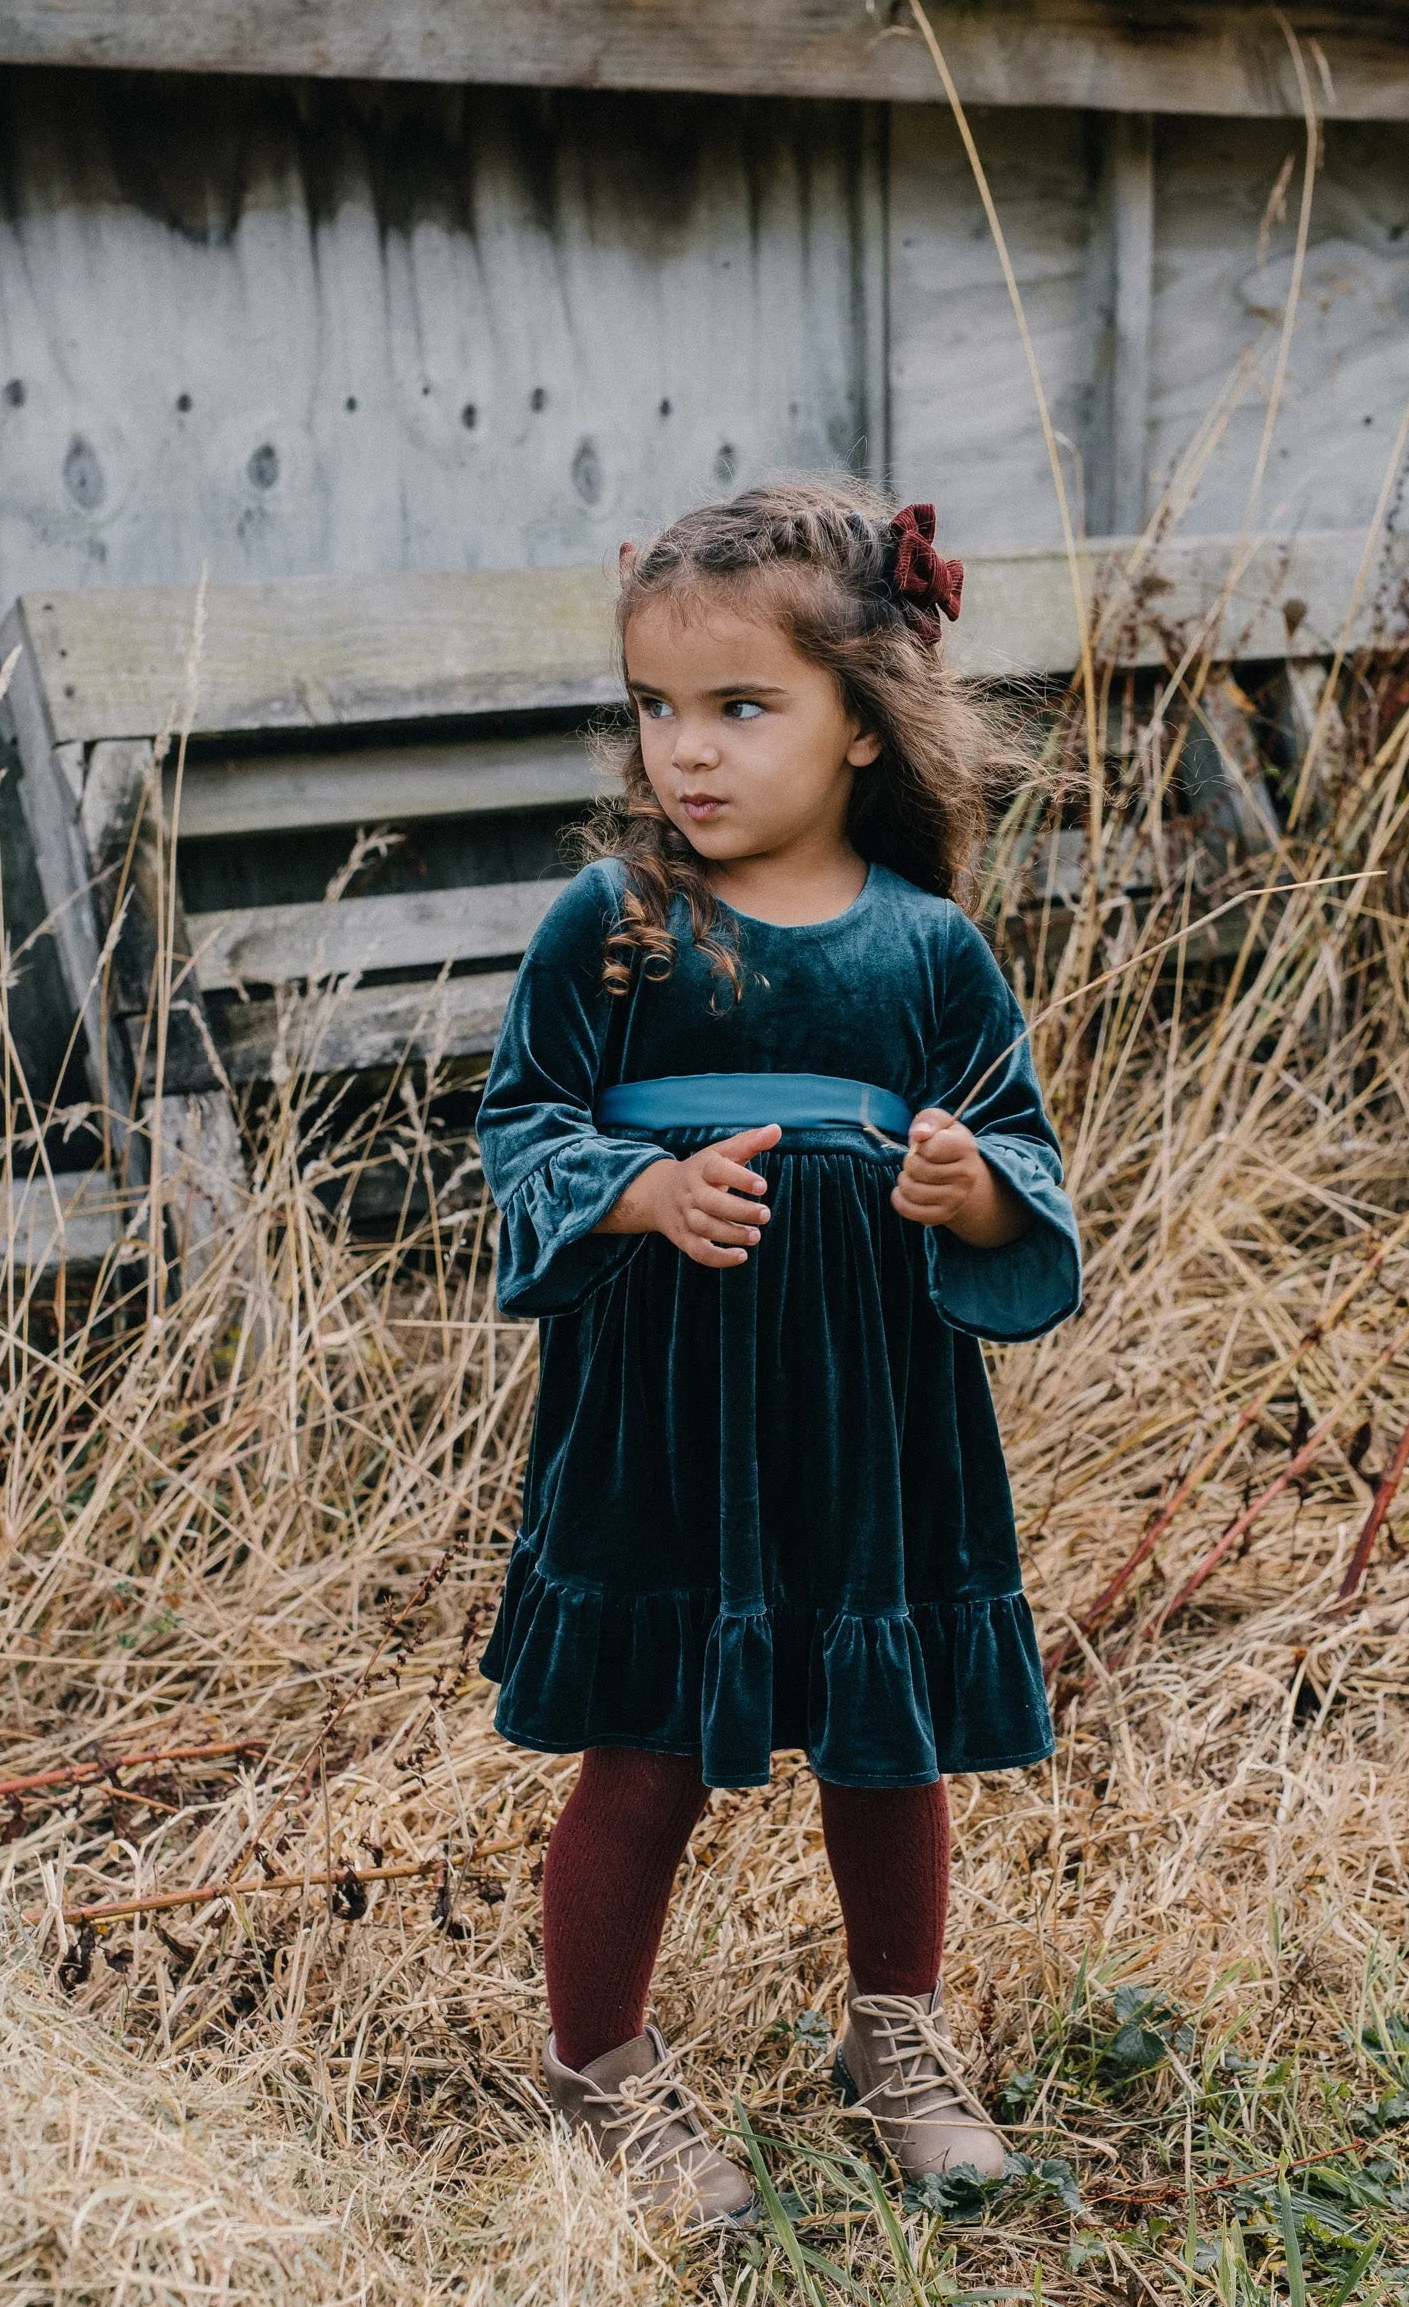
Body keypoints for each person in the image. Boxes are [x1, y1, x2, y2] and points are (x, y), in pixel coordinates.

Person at [476, 480, 1081, 2224]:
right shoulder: (617, 927)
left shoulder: (926, 951)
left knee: (885, 1733)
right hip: (669, 1412)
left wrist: (971, 1195)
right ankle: (601, 2072)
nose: (689, 752)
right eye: (660, 708)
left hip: (873, 1408)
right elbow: (521, 1125)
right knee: (651, 1740)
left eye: (743, 707)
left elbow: (1023, 1158)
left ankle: (895, 2035)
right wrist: (640, 1192)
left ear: (865, 728)